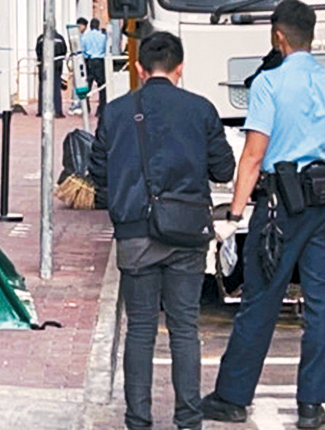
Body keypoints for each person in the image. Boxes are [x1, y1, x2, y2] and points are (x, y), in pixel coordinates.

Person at [201, 0, 325, 429]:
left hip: (279, 209)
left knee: (261, 300)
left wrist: (234, 218)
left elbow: (253, 157)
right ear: (311, 36)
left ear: (278, 36)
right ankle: (312, 406)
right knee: (320, 302)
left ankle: (233, 398)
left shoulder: (268, 84)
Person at [90, 31, 235, 430]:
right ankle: (188, 420)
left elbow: (97, 173)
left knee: (139, 329)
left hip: (135, 234)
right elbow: (224, 170)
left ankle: (138, 421)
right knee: (184, 328)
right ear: (180, 67)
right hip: (188, 234)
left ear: (138, 69)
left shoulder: (117, 111)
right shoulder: (201, 109)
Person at [35, 29, 67, 118]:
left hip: (43, 65)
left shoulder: (41, 38)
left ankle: (41, 110)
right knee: (56, 86)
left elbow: (37, 51)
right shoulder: (60, 38)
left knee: (43, 87)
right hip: (57, 65)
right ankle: (58, 110)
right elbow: (64, 51)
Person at [81, 18, 108, 116]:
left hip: (89, 61)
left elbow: (82, 50)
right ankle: (101, 109)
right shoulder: (103, 36)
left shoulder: (85, 37)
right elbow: (105, 49)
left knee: (87, 86)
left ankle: (86, 108)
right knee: (102, 87)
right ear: (98, 25)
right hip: (100, 61)